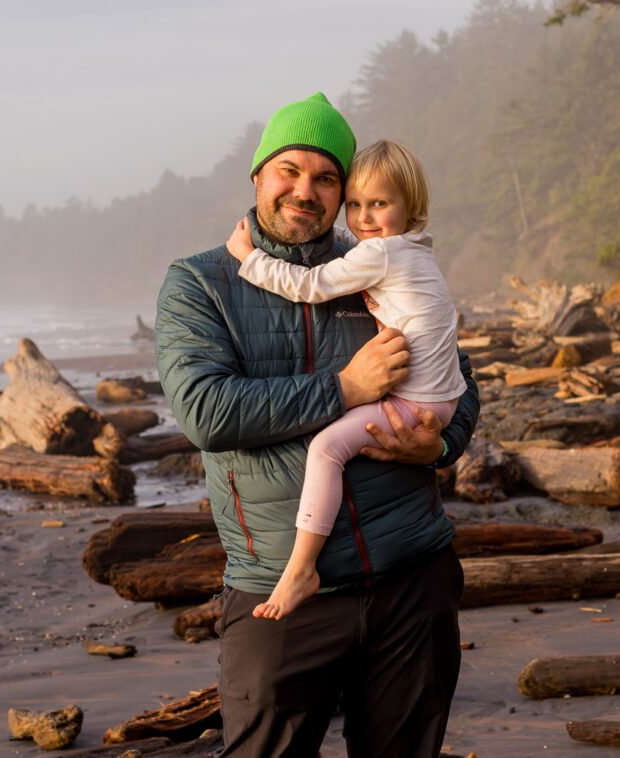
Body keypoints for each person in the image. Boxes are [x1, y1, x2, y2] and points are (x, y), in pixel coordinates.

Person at [155, 92, 480, 758]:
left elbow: (460, 379)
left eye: (326, 177)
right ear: (258, 177)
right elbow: (208, 413)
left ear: (344, 192)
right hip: (281, 590)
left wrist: (441, 442)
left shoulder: (375, 262)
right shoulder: (200, 284)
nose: (306, 190)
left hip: (411, 580)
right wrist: (344, 388)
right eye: (290, 170)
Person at [224, 138, 465, 621]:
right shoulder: (413, 249)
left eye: (379, 204)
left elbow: (310, 286)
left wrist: (246, 256)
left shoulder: (378, 255)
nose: (364, 218)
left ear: (410, 206)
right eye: (355, 205)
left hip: (415, 405)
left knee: (326, 449)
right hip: (442, 399)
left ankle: (301, 568)